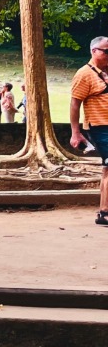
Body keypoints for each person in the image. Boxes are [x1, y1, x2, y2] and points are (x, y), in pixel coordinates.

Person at [68, 36, 108, 228]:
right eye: (106, 51)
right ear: (94, 51)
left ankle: (104, 211)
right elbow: (75, 104)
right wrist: (75, 133)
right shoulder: (84, 74)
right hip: (99, 127)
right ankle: (105, 213)